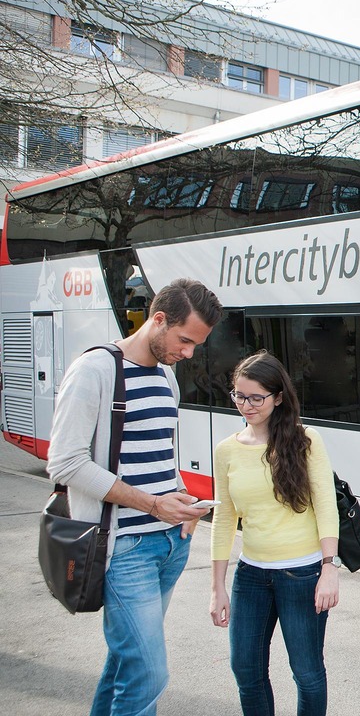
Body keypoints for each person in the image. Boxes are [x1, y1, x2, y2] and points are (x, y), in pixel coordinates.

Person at [46, 278, 224, 716]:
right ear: (157, 319)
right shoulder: (95, 370)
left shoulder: (166, 376)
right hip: (123, 548)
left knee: (127, 664)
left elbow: (158, 455)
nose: (188, 354)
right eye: (184, 341)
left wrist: (181, 500)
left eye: (196, 346)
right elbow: (64, 464)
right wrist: (152, 504)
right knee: (148, 672)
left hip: (171, 544)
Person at [209, 351, 340, 715]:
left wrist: (329, 568)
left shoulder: (305, 440)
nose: (246, 405)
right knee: (246, 670)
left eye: (256, 397)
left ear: (278, 397)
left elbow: (326, 506)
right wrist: (217, 587)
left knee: (307, 673)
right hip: (250, 575)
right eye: (238, 395)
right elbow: (223, 519)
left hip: (302, 574)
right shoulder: (227, 450)